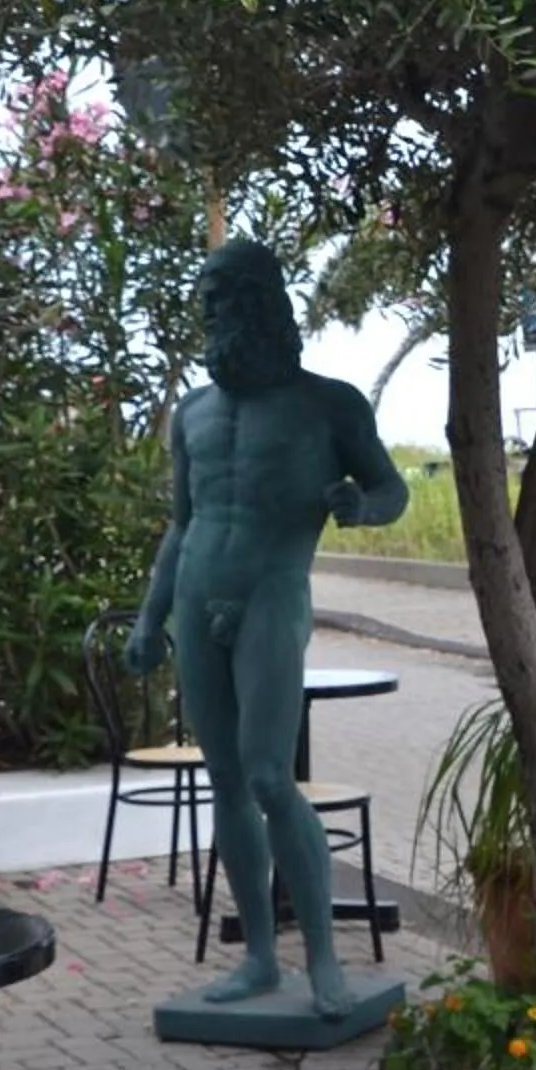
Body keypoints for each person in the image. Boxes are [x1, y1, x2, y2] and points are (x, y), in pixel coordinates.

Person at [125, 238, 409, 1018]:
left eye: (222, 295)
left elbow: (390, 489)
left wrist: (363, 504)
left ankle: (323, 961)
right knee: (224, 783)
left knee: (267, 778)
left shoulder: (330, 403)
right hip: (194, 597)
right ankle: (257, 959)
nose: (210, 311)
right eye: (204, 299)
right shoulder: (193, 413)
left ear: (261, 300)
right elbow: (180, 527)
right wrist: (150, 619)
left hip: (272, 595)